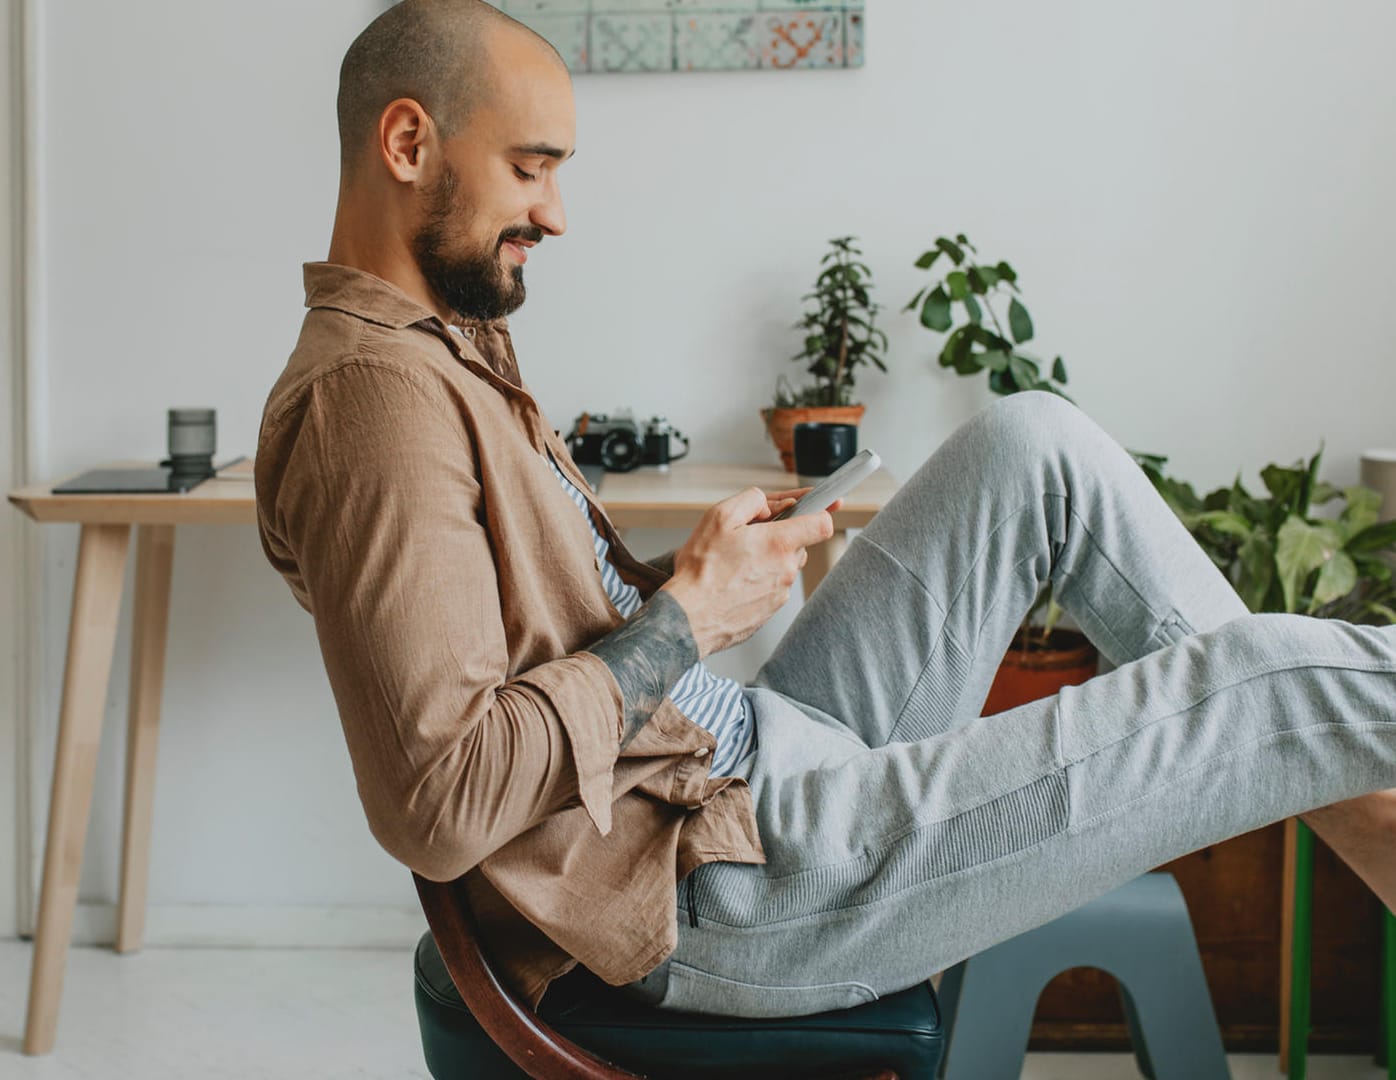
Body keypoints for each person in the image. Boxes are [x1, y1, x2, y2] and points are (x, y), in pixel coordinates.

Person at [255, 0, 1396, 1018]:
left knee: (1032, 442)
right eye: (531, 167)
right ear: (409, 143)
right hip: (725, 887)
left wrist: (691, 580)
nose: (555, 211)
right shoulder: (375, 401)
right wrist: (688, 620)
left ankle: (1383, 836)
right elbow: (438, 802)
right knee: (1277, 675)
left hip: (742, 763)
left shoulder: (443, 356)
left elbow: (532, 640)